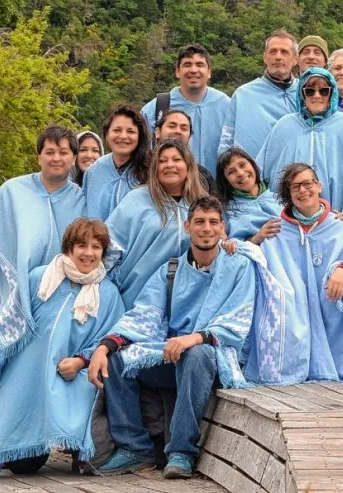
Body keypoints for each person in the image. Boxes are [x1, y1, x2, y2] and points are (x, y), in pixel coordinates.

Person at [89, 196, 256, 479]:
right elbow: (146, 313)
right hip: (172, 354)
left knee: (198, 354)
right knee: (118, 361)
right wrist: (105, 347)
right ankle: (135, 449)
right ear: (187, 226)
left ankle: (181, 451)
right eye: (199, 222)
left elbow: (237, 321)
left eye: (213, 222)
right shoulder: (172, 269)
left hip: (215, 359)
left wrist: (194, 339)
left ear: (222, 228)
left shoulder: (239, 266)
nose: (206, 228)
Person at [0, 219, 124, 477]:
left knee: (89, 459)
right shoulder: (39, 278)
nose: (88, 253)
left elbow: (108, 338)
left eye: (96, 247)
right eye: (81, 245)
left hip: (69, 379)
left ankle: (75, 446)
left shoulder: (108, 293)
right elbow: (5, 324)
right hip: (24, 378)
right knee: (24, 466)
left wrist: (80, 360)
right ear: (68, 247)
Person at [245, 164, 343, 385]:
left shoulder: (340, 226)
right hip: (295, 308)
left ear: (318, 185)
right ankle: (286, 365)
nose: (303, 191)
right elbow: (256, 262)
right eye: (295, 187)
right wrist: (255, 239)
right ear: (289, 193)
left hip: (329, 301)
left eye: (307, 184)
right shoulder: (276, 230)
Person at [0, 126, 87, 385]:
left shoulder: (80, 199)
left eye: (63, 152)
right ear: (39, 157)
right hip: (5, 285)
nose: (56, 158)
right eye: (49, 152)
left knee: (28, 366)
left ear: (73, 158)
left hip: (54, 293)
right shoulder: (13, 191)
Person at [104, 140, 207, 309]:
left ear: (188, 165)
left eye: (176, 159)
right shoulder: (136, 199)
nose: (169, 165)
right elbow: (110, 245)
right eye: (162, 160)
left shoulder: (201, 204)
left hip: (187, 304)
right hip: (135, 299)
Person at [255, 67, 343, 215]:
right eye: (310, 91)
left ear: (331, 93)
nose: (316, 96)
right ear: (302, 94)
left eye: (323, 91)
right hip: (287, 219)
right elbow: (261, 172)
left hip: (332, 218)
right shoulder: (284, 125)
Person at [141, 45, 230, 174]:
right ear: (177, 71)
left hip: (216, 190)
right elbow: (141, 156)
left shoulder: (226, 106)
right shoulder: (157, 108)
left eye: (200, 64)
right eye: (187, 64)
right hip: (168, 188)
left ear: (209, 72)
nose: (194, 70)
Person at [218, 29, 298, 158]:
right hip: (251, 174)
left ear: (295, 59)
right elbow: (226, 142)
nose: (278, 57)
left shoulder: (307, 93)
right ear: (265, 57)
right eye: (273, 51)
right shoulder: (243, 95)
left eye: (284, 52)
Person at [83, 105, 150, 221]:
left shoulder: (151, 170)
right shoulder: (94, 172)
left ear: (140, 136)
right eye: (117, 130)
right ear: (107, 135)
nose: (123, 136)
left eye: (130, 131)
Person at [216, 148, 282, 244]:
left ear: (253, 165)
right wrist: (256, 238)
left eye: (242, 165)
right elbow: (229, 247)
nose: (240, 173)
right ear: (226, 181)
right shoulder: (226, 211)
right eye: (231, 172)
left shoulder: (279, 198)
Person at [152, 109, 216, 196]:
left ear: (189, 136)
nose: (178, 131)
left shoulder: (202, 176)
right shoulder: (142, 169)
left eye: (184, 128)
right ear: (157, 132)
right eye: (172, 126)